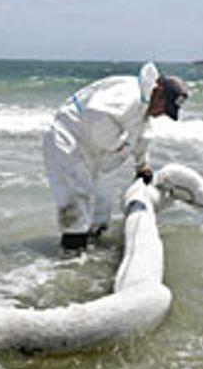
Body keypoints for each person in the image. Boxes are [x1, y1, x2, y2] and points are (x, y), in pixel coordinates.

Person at [42, 62, 189, 251]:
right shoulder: (129, 95)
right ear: (158, 89)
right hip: (68, 141)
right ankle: (70, 262)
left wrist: (142, 166)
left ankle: (92, 255)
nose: (161, 114)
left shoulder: (144, 106)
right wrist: (118, 145)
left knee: (101, 207)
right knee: (77, 202)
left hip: (90, 150)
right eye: (164, 107)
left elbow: (142, 136)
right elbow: (97, 116)